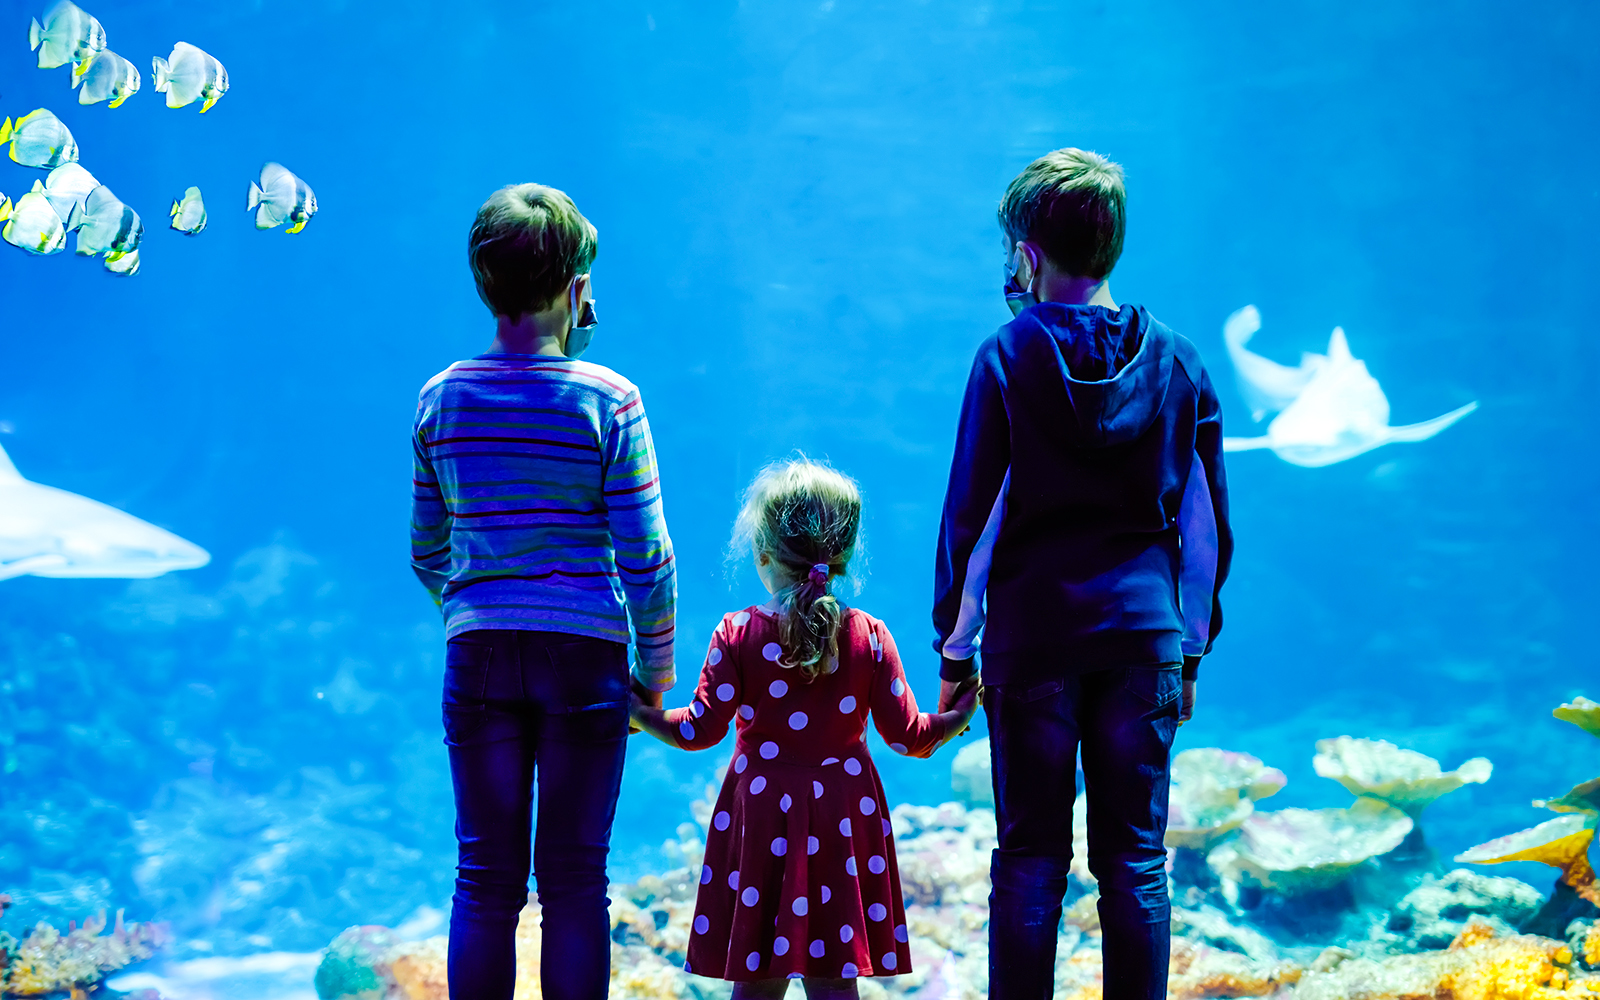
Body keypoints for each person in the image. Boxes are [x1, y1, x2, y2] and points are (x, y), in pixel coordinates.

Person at [931, 148, 1233, 1000]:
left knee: (1030, 859)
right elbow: (1206, 528)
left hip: (1034, 644)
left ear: (1026, 254)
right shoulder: (1179, 363)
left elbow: (975, 518)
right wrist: (1192, 650)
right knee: (1134, 860)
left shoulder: (1006, 357)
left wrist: (957, 653)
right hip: (1145, 641)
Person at [410, 183, 677, 1000]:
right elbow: (646, 553)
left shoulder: (441, 397)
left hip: (481, 656)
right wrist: (655, 669)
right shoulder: (609, 398)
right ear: (575, 290)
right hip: (587, 658)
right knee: (572, 883)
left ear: (484, 283)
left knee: (484, 880)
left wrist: (472, 615)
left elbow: (427, 549)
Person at [632, 458, 979, 1000]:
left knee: (757, 976)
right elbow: (910, 736)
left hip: (763, 814)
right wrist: (958, 716)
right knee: (833, 976)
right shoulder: (869, 637)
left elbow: (699, 731)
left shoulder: (738, 633)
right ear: (841, 557)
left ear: (763, 553)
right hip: (843, 816)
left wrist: (640, 714)